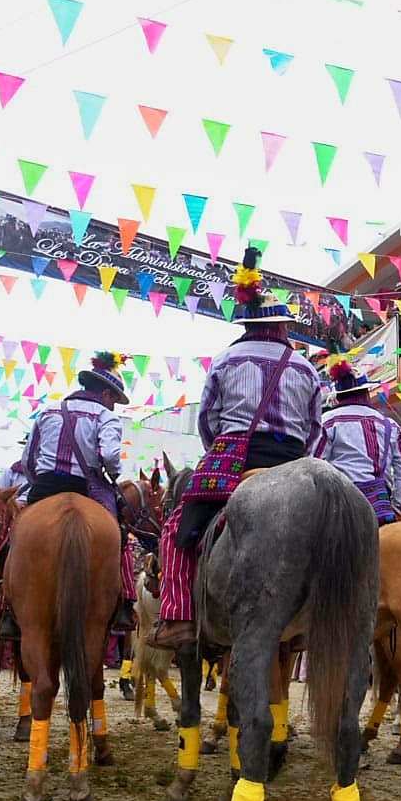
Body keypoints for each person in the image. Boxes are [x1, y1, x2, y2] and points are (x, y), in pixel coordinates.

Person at [155, 249, 324, 648]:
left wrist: (218, 450)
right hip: (293, 459)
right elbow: (316, 428)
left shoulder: (226, 359)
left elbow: (207, 418)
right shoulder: (305, 367)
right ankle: (315, 619)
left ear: (247, 325)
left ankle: (178, 618)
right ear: (281, 327)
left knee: (176, 530)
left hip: (233, 455)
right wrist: (299, 455)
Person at [17, 351, 137, 631]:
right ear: (105, 393)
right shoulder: (106, 417)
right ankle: (123, 601)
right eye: (114, 399)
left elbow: (28, 460)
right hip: (85, 488)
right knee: (118, 535)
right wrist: (112, 474)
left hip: (45, 486)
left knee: (15, 534)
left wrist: (38, 481)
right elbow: (110, 456)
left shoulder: (48, 411)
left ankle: (4, 604)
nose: (114, 406)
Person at [312, 356, 401, 524]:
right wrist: (399, 506)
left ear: (339, 396)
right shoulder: (390, 425)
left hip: (341, 506)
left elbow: (315, 463)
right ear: (365, 392)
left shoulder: (328, 421)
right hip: (380, 507)